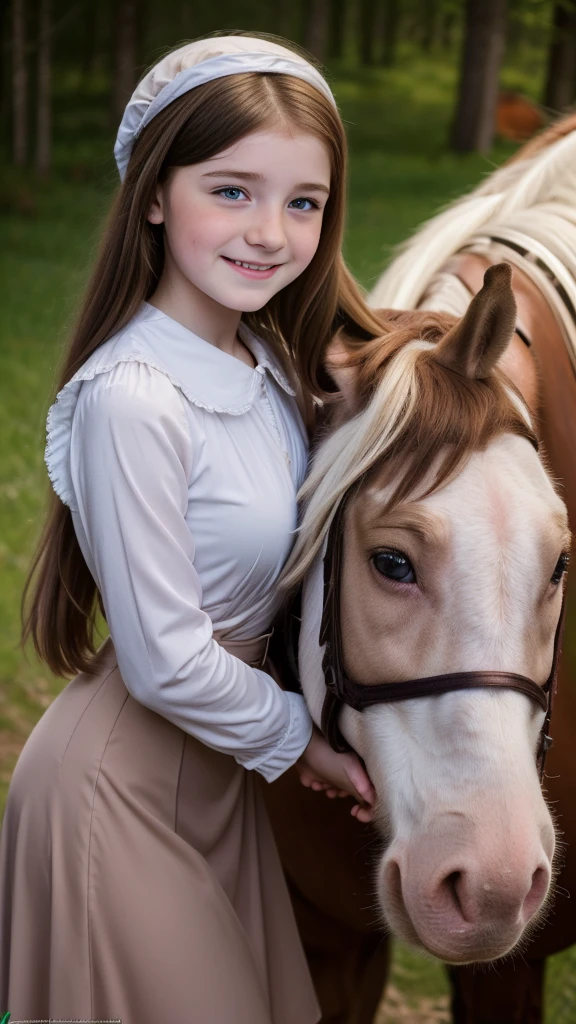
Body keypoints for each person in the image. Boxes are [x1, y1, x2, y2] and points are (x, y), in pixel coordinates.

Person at [0, 32, 382, 1024]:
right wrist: (308, 744)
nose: (271, 231)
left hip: (221, 786)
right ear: (156, 195)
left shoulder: (272, 366)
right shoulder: (135, 396)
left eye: (304, 202)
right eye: (232, 190)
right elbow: (167, 660)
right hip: (117, 789)